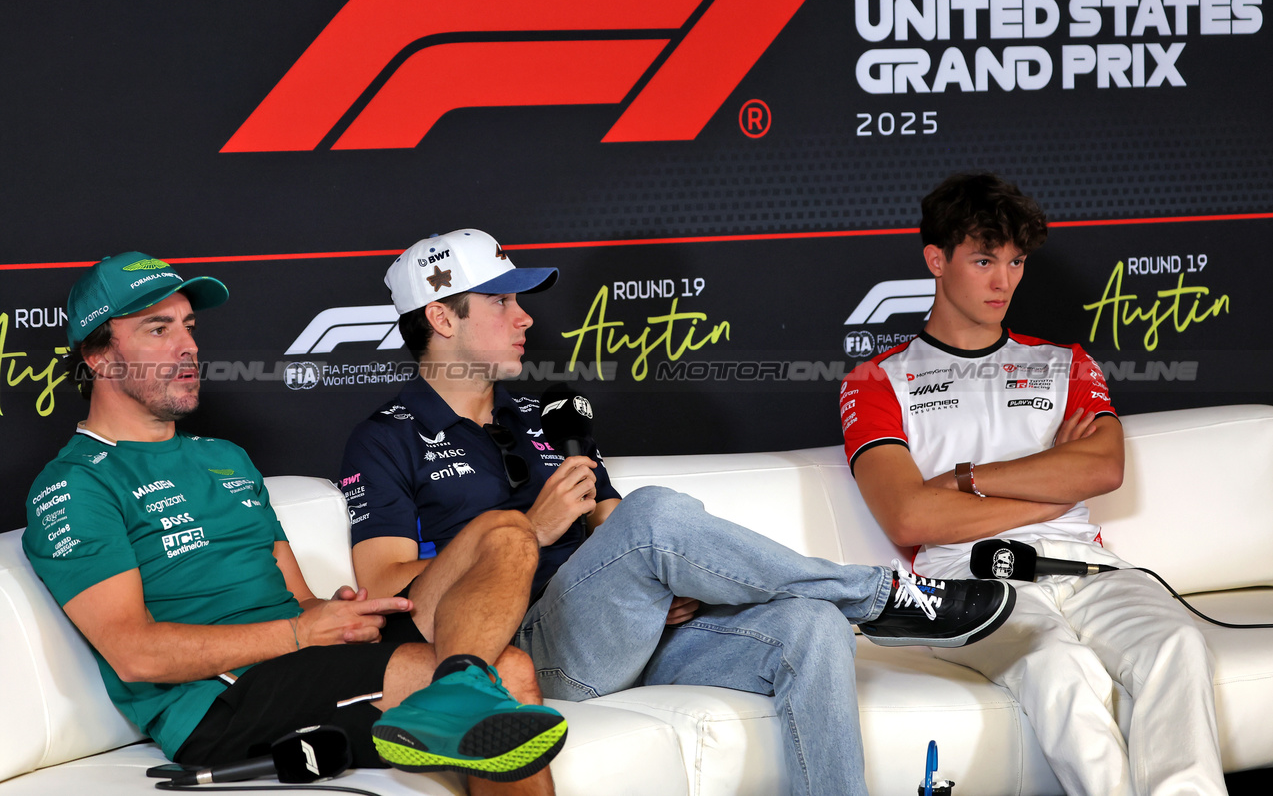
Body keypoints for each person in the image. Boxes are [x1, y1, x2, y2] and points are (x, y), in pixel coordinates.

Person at [339, 228, 1017, 796]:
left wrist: (651, 581)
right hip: (521, 650)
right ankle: (879, 596)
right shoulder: (387, 435)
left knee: (810, 627)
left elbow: (613, 523)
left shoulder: (543, 415)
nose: (524, 319)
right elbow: (387, 589)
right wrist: (536, 529)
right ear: (439, 316)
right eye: (500, 302)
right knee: (657, 513)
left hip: (625, 632)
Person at [23, 252, 567, 795]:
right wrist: (300, 632)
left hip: (301, 657)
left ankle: (460, 683)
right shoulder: (74, 485)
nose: (187, 346)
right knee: (511, 674)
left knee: (506, 529)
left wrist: (334, 616)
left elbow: (297, 599)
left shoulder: (226, 457)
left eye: (188, 326)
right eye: (157, 329)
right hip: (220, 702)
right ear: (97, 356)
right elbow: (135, 654)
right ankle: (464, 689)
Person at [842, 173, 1226, 796]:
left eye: (1016, 261)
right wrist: (1051, 479)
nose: (1004, 281)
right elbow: (910, 519)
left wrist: (965, 481)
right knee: (1058, 665)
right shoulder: (875, 380)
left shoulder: (1065, 361)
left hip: (1088, 567)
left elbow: (1102, 469)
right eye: (984, 259)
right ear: (935, 260)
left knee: (1178, 642)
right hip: (969, 581)